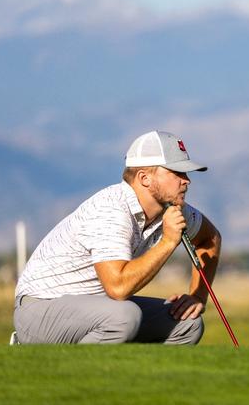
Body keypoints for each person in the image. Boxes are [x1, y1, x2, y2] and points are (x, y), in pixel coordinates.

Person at [12, 130, 221, 344]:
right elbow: (118, 288)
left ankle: (136, 377)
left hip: (99, 309)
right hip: (40, 308)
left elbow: (210, 238)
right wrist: (168, 242)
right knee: (124, 317)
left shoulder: (173, 208)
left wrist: (198, 296)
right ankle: (69, 375)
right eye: (177, 173)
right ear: (144, 178)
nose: (186, 181)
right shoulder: (111, 209)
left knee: (188, 325)